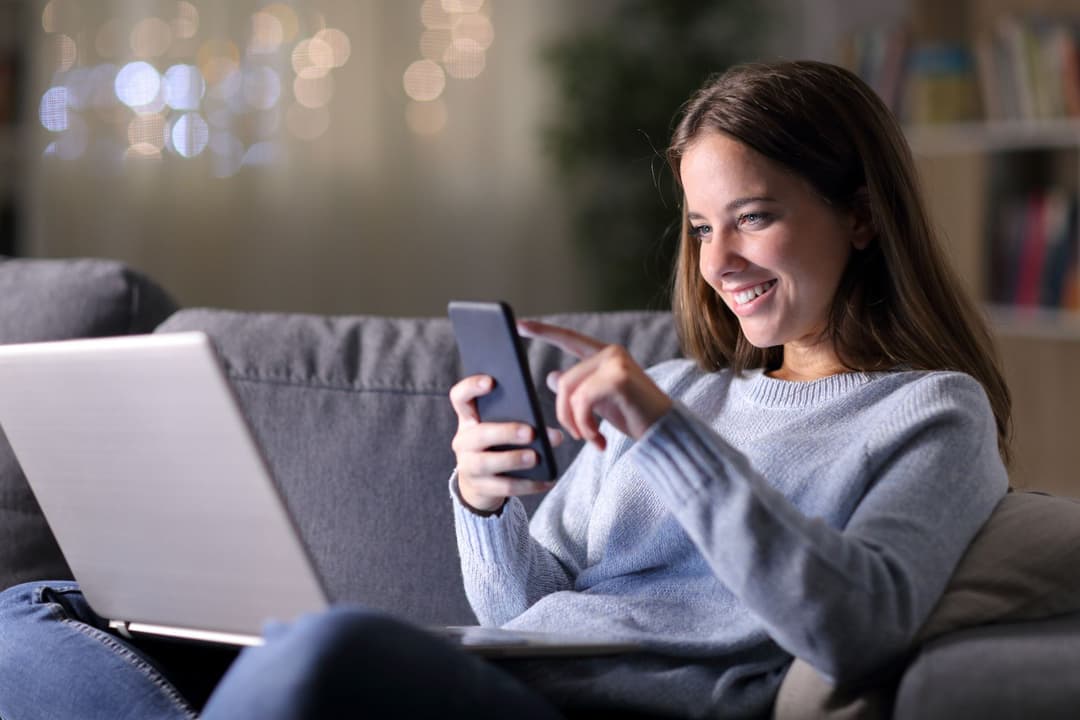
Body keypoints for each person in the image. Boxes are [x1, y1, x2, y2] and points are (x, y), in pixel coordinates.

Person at [0, 59, 1010, 720]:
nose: (719, 262)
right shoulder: (679, 391)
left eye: (754, 218)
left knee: (322, 653)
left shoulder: (931, 414)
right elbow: (526, 609)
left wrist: (667, 441)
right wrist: (487, 502)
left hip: (592, 712)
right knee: (41, 608)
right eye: (702, 228)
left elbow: (858, 629)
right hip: (500, 670)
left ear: (863, 218)